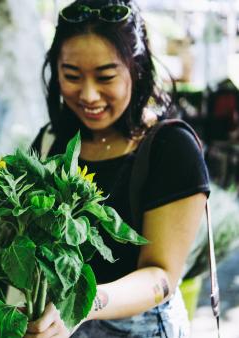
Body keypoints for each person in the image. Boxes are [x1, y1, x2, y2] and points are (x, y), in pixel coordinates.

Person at [25, 1, 209, 337]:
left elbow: (161, 277)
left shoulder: (170, 148)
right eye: (71, 76)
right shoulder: (51, 143)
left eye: (106, 76)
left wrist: (82, 304)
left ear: (136, 70)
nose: (89, 94)